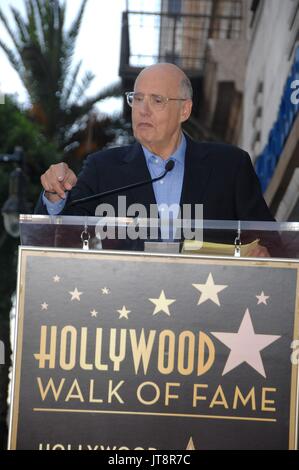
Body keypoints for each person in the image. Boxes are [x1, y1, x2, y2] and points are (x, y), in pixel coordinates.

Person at [35, 63, 275, 256]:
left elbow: (271, 242)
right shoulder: (103, 169)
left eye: (156, 100)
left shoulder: (230, 166)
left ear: (184, 110)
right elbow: (60, 237)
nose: (143, 110)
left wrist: (263, 254)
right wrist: (55, 195)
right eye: (137, 99)